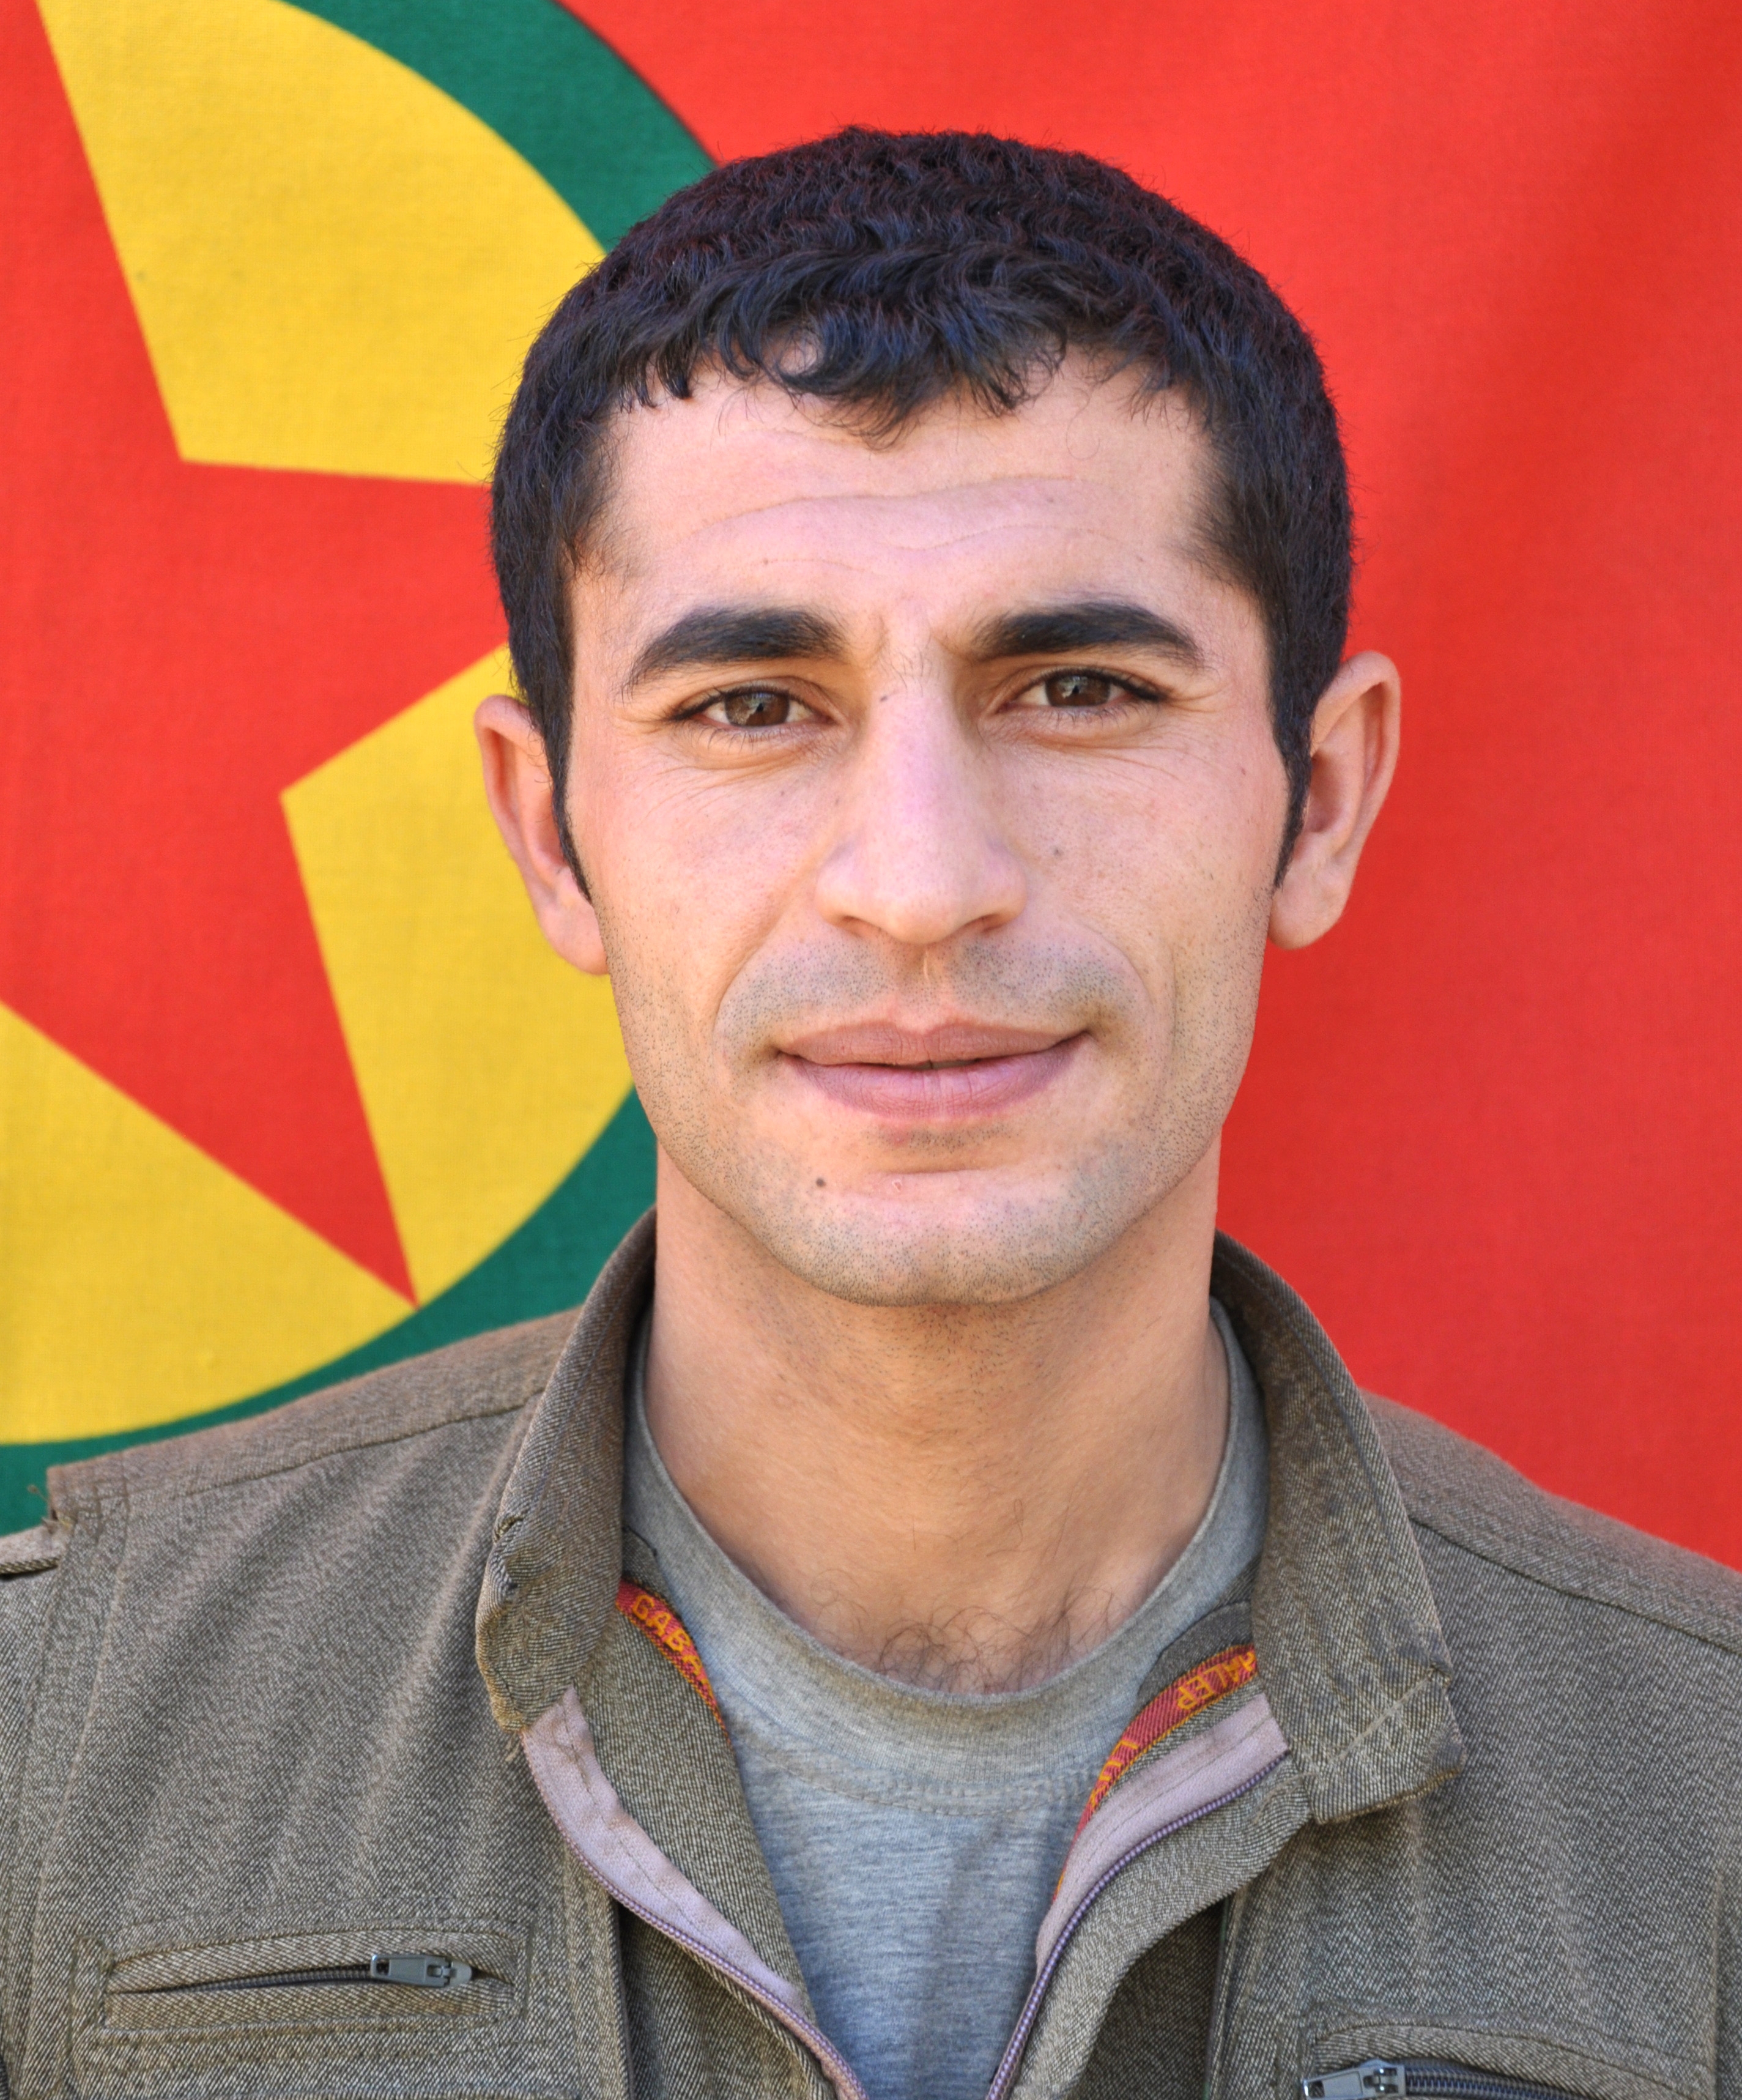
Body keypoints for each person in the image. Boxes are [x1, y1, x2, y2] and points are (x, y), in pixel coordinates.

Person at [1, 130, 1736, 2100]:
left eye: (1079, 689)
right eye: (752, 707)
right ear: (550, 835)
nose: (920, 883)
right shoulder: (58, 1745)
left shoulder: (1709, 1816)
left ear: (1318, 801)